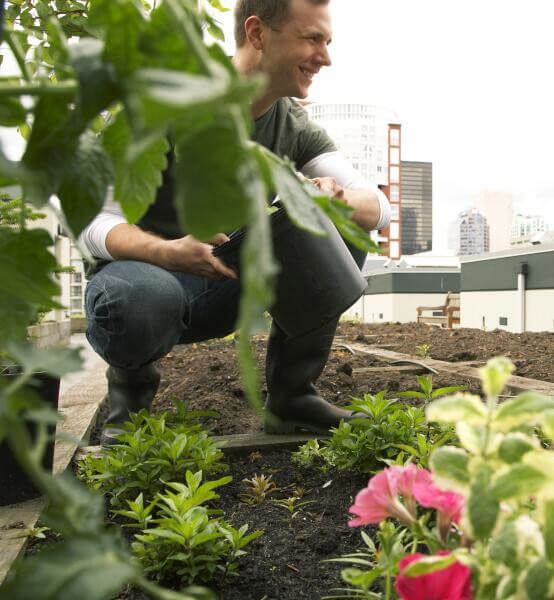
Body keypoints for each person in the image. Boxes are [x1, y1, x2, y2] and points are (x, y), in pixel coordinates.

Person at [81, 0, 391, 441]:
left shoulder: (292, 125)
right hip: (150, 284)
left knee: (340, 223)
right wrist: (167, 251)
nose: (325, 57)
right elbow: (90, 223)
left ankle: (293, 397)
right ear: (258, 33)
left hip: (231, 280)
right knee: (133, 299)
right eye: (312, 39)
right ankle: (128, 406)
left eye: (327, 41)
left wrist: (337, 197)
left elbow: (379, 208)